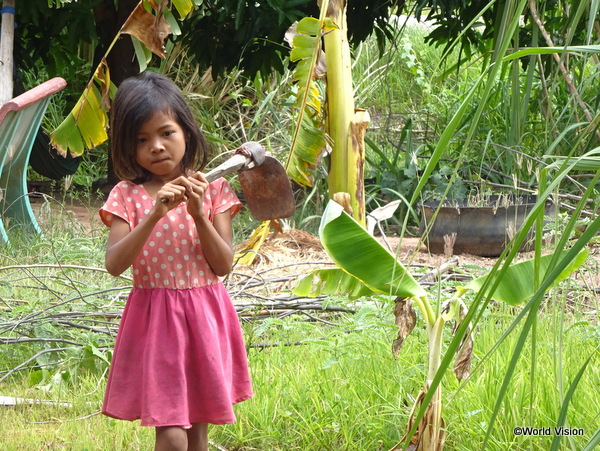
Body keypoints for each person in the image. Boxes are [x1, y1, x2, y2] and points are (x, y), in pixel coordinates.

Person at [99, 71, 253, 451]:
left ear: (186, 131)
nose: (156, 146)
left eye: (166, 132)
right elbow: (115, 263)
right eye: (141, 139)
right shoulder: (127, 195)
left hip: (205, 316)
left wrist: (199, 214)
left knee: (198, 430)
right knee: (170, 432)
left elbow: (223, 265)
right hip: (155, 321)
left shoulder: (213, 189)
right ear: (127, 147)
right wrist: (155, 214)